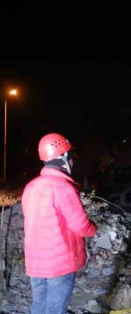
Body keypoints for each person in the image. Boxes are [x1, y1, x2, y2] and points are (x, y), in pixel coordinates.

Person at [22, 133, 97, 314]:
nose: (72, 162)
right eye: (71, 158)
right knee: (56, 309)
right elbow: (80, 225)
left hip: (35, 263)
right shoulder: (63, 187)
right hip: (59, 263)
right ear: (63, 158)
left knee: (39, 306)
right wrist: (94, 228)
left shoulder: (31, 187)